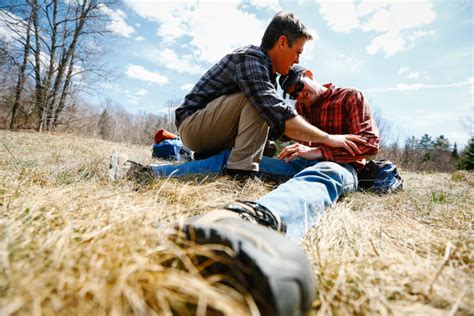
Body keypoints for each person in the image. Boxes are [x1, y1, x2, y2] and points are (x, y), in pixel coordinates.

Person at [108, 65, 380, 315]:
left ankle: (255, 221)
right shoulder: (302, 108)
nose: (299, 95)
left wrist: (318, 151)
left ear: (308, 74)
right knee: (234, 159)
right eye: (292, 93)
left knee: (322, 174)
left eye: (299, 86)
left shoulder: (349, 97)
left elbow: (369, 144)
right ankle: (143, 173)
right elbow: (280, 128)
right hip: (297, 162)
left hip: (342, 167)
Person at [174, 11, 364, 177]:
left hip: (213, 129)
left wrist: (311, 142)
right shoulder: (250, 58)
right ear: (282, 42)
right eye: (298, 51)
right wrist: (328, 138)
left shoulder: (267, 74)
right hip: (192, 126)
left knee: (267, 146)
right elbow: (273, 109)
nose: (298, 59)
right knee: (259, 103)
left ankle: (208, 159)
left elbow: (275, 127)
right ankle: (240, 174)